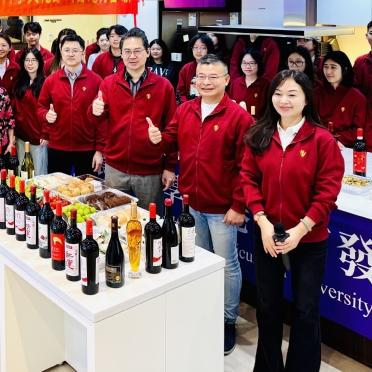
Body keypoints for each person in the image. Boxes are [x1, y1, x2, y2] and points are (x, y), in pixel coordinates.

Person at [149, 54, 253, 354]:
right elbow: (170, 139)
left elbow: (247, 167)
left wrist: (238, 205)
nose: (206, 82)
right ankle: (204, 311)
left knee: (227, 265)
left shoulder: (239, 117)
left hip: (222, 208)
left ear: (226, 80)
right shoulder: (186, 109)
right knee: (200, 260)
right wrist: (157, 138)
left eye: (213, 77)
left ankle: (227, 320)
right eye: (201, 77)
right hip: (191, 202)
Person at [242, 70, 344, 372]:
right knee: (268, 308)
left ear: (306, 99)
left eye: (292, 94)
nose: (283, 100)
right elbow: (248, 178)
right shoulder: (259, 134)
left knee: (305, 310)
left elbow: (327, 193)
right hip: (267, 236)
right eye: (278, 94)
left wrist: (301, 229)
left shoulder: (322, 140)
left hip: (308, 239)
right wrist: (261, 221)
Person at [91, 28, 176, 211]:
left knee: (149, 221)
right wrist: (95, 111)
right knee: (113, 218)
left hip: (150, 171)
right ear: (121, 54)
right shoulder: (109, 83)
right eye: (127, 51)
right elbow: (96, 121)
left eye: (137, 51)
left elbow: (172, 130)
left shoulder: (163, 86)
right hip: (115, 169)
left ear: (147, 52)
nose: (132, 56)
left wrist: (170, 166)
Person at [38, 35, 105, 175]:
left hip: (87, 149)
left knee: (86, 188)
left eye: (75, 50)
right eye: (67, 50)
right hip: (58, 148)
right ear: (61, 52)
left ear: (83, 53)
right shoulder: (51, 81)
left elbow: (102, 120)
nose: (70, 54)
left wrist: (99, 150)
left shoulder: (96, 81)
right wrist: (46, 115)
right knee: (57, 188)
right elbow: (40, 108)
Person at [313, 51, 367, 148]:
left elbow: (358, 130)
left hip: (345, 146)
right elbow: (310, 122)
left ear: (345, 69)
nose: (328, 71)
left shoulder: (358, 98)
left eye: (333, 67)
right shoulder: (316, 93)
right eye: (325, 67)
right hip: (318, 143)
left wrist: (335, 139)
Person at [13, 48, 49, 175]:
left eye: (34, 60)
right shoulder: (19, 82)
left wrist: (45, 133)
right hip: (21, 136)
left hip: (38, 137)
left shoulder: (45, 83)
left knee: (39, 174)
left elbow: (48, 110)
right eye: (27, 60)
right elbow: (15, 108)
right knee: (22, 173)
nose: (30, 63)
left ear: (39, 62)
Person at [229, 48, 270, 119]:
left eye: (252, 63)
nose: (248, 66)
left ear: (259, 64)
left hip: (259, 124)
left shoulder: (266, 84)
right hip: (237, 122)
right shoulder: (235, 83)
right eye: (244, 63)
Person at [177, 34, 215, 102]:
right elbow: (180, 92)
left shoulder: (215, 68)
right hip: (189, 105)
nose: (198, 51)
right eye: (195, 47)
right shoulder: (186, 68)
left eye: (203, 48)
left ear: (208, 49)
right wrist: (187, 105)